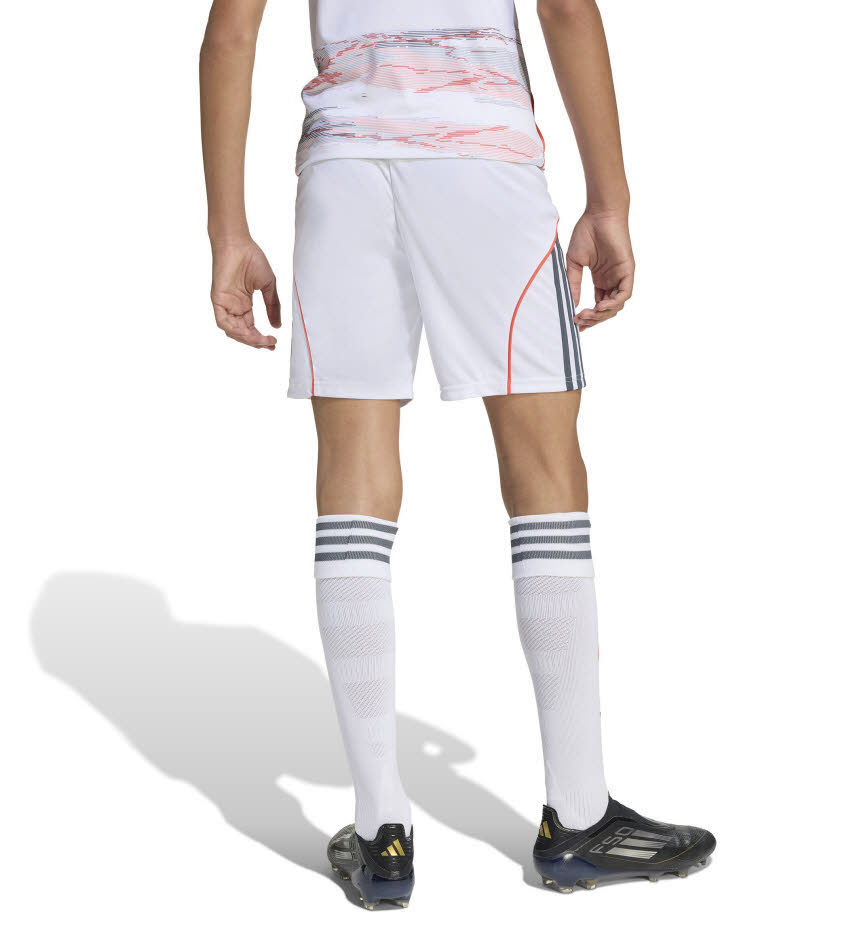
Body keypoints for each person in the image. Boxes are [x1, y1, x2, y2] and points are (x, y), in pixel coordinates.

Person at [200, 0, 715, 909]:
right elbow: (564, 7)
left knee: (353, 478)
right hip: (484, 158)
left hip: (345, 167)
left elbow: (232, 32)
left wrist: (228, 232)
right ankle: (579, 818)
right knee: (546, 471)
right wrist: (610, 201)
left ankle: (380, 832)